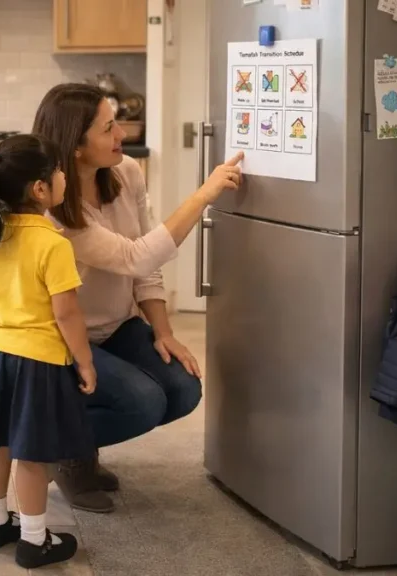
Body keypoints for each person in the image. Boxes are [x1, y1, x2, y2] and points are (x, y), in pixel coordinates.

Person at [31, 83, 244, 513]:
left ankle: (74, 446)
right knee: (143, 401)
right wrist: (204, 195)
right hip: (66, 340)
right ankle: (56, 450)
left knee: (183, 390)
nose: (121, 135)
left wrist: (162, 331)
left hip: (116, 324)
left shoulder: (126, 172)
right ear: (75, 146)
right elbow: (135, 257)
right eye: (108, 128)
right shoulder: (58, 212)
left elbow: (147, 259)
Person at [0, 134, 97, 569]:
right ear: (40, 189)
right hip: (39, 362)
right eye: (57, 173)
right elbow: (67, 313)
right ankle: (35, 541)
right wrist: (85, 361)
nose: (62, 178)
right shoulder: (54, 244)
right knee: (33, 454)